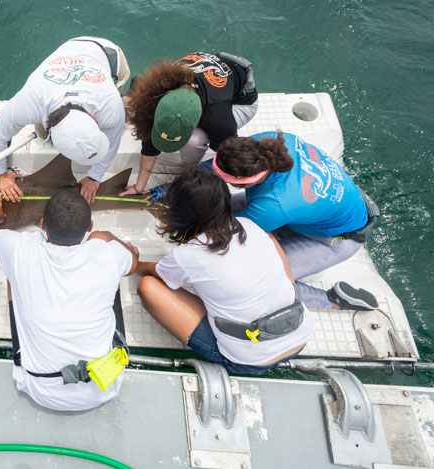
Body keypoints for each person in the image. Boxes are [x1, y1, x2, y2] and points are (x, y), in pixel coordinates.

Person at [0, 189, 138, 411]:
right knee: (109, 258)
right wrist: (124, 249)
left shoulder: (21, 248)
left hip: (40, 389)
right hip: (106, 384)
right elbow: (133, 265)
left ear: (42, 223)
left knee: (12, 271)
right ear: (89, 226)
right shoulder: (107, 253)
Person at [137, 170, 313, 374]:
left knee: (148, 287)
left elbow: (151, 272)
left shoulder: (188, 255)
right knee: (268, 242)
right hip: (300, 334)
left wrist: (132, 261)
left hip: (248, 360)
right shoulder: (250, 226)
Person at [213, 131, 380, 310]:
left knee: (260, 280)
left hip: (337, 239)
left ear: (247, 180)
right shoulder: (270, 141)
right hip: (330, 206)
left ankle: (334, 301)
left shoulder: (275, 205)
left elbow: (226, 234)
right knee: (224, 207)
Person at [0, 36, 130, 204]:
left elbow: (112, 142)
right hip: (65, 59)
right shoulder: (31, 101)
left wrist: (94, 178)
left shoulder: (110, 107)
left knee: (122, 115)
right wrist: (0, 174)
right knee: (40, 136)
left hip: (109, 57)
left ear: (93, 117)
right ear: (51, 130)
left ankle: (132, 99)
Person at [121, 52, 258, 197]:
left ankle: (188, 171)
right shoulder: (154, 91)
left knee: (194, 141)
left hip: (240, 102)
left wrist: (179, 185)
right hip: (207, 76)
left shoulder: (219, 121)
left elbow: (226, 160)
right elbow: (149, 142)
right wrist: (138, 187)